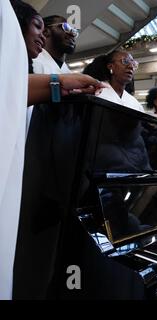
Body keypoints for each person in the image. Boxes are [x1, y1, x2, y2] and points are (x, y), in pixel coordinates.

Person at [1, 0, 104, 300]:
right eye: (40, 27)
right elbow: (12, 91)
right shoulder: (30, 60)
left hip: (51, 177)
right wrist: (59, 84)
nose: (43, 35)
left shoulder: (57, 69)